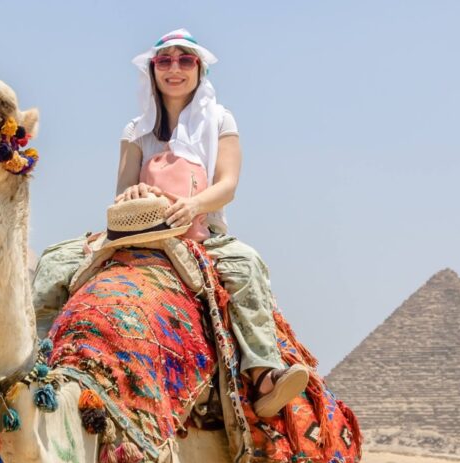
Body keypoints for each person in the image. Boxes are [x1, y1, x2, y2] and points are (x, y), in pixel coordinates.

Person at [33, 28, 308, 418]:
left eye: (185, 60)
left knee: (245, 265)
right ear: (152, 70)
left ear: (199, 69)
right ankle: (37, 359)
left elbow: (227, 184)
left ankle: (263, 374)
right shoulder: (135, 130)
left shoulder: (220, 121)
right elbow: (122, 189)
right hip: (138, 232)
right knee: (53, 261)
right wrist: (131, 197)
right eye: (165, 60)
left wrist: (193, 204)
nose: (174, 69)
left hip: (198, 232)